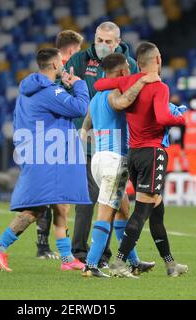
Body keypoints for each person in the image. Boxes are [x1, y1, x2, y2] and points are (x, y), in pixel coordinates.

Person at [0, 48, 91, 272]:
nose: (63, 65)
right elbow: (81, 107)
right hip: (48, 158)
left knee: (62, 205)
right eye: (61, 62)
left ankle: (67, 259)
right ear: (54, 65)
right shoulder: (49, 92)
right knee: (36, 210)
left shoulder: (28, 91)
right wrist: (79, 85)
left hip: (45, 154)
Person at [94, 42, 188, 278]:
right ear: (157, 59)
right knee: (143, 210)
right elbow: (163, 116)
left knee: (157, 210)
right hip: (152, 153)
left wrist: (136, 82)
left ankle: (170, 264)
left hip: (134, 154)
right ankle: (119, 261)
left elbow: (99, 83)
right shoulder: (159, 86)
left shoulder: (129, 82)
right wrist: (183, 117)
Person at [64, 21, 139, 266]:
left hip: (117, 147)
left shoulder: (130, 67)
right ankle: (86, 258)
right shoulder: (79, 61)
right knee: (94, 199)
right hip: (101, 149)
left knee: (118, 204)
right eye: (99, 40)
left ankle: (115, 258)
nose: (103, 45)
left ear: (118, 42)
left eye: (108, 42)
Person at [80, 53, 159, 277]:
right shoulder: (115, 93)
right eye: (128, 69)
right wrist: (143, 81)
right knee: (106, 211)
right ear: (123, 71)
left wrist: (85, 134)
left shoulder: (96, 97)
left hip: (99, 159)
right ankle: (91, 265)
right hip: (115, 161)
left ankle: (132, 261)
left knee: (123, 210)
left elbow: (87, 122)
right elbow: (122, 102)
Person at [35, 30, 84, 260]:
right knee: (58, 198)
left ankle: (46, 247)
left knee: (49, 197)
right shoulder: (64, 72)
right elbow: (74, 106)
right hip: (60, 140)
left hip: (45, 138)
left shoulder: (44, 73)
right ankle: (51, 249)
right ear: (73, 50)